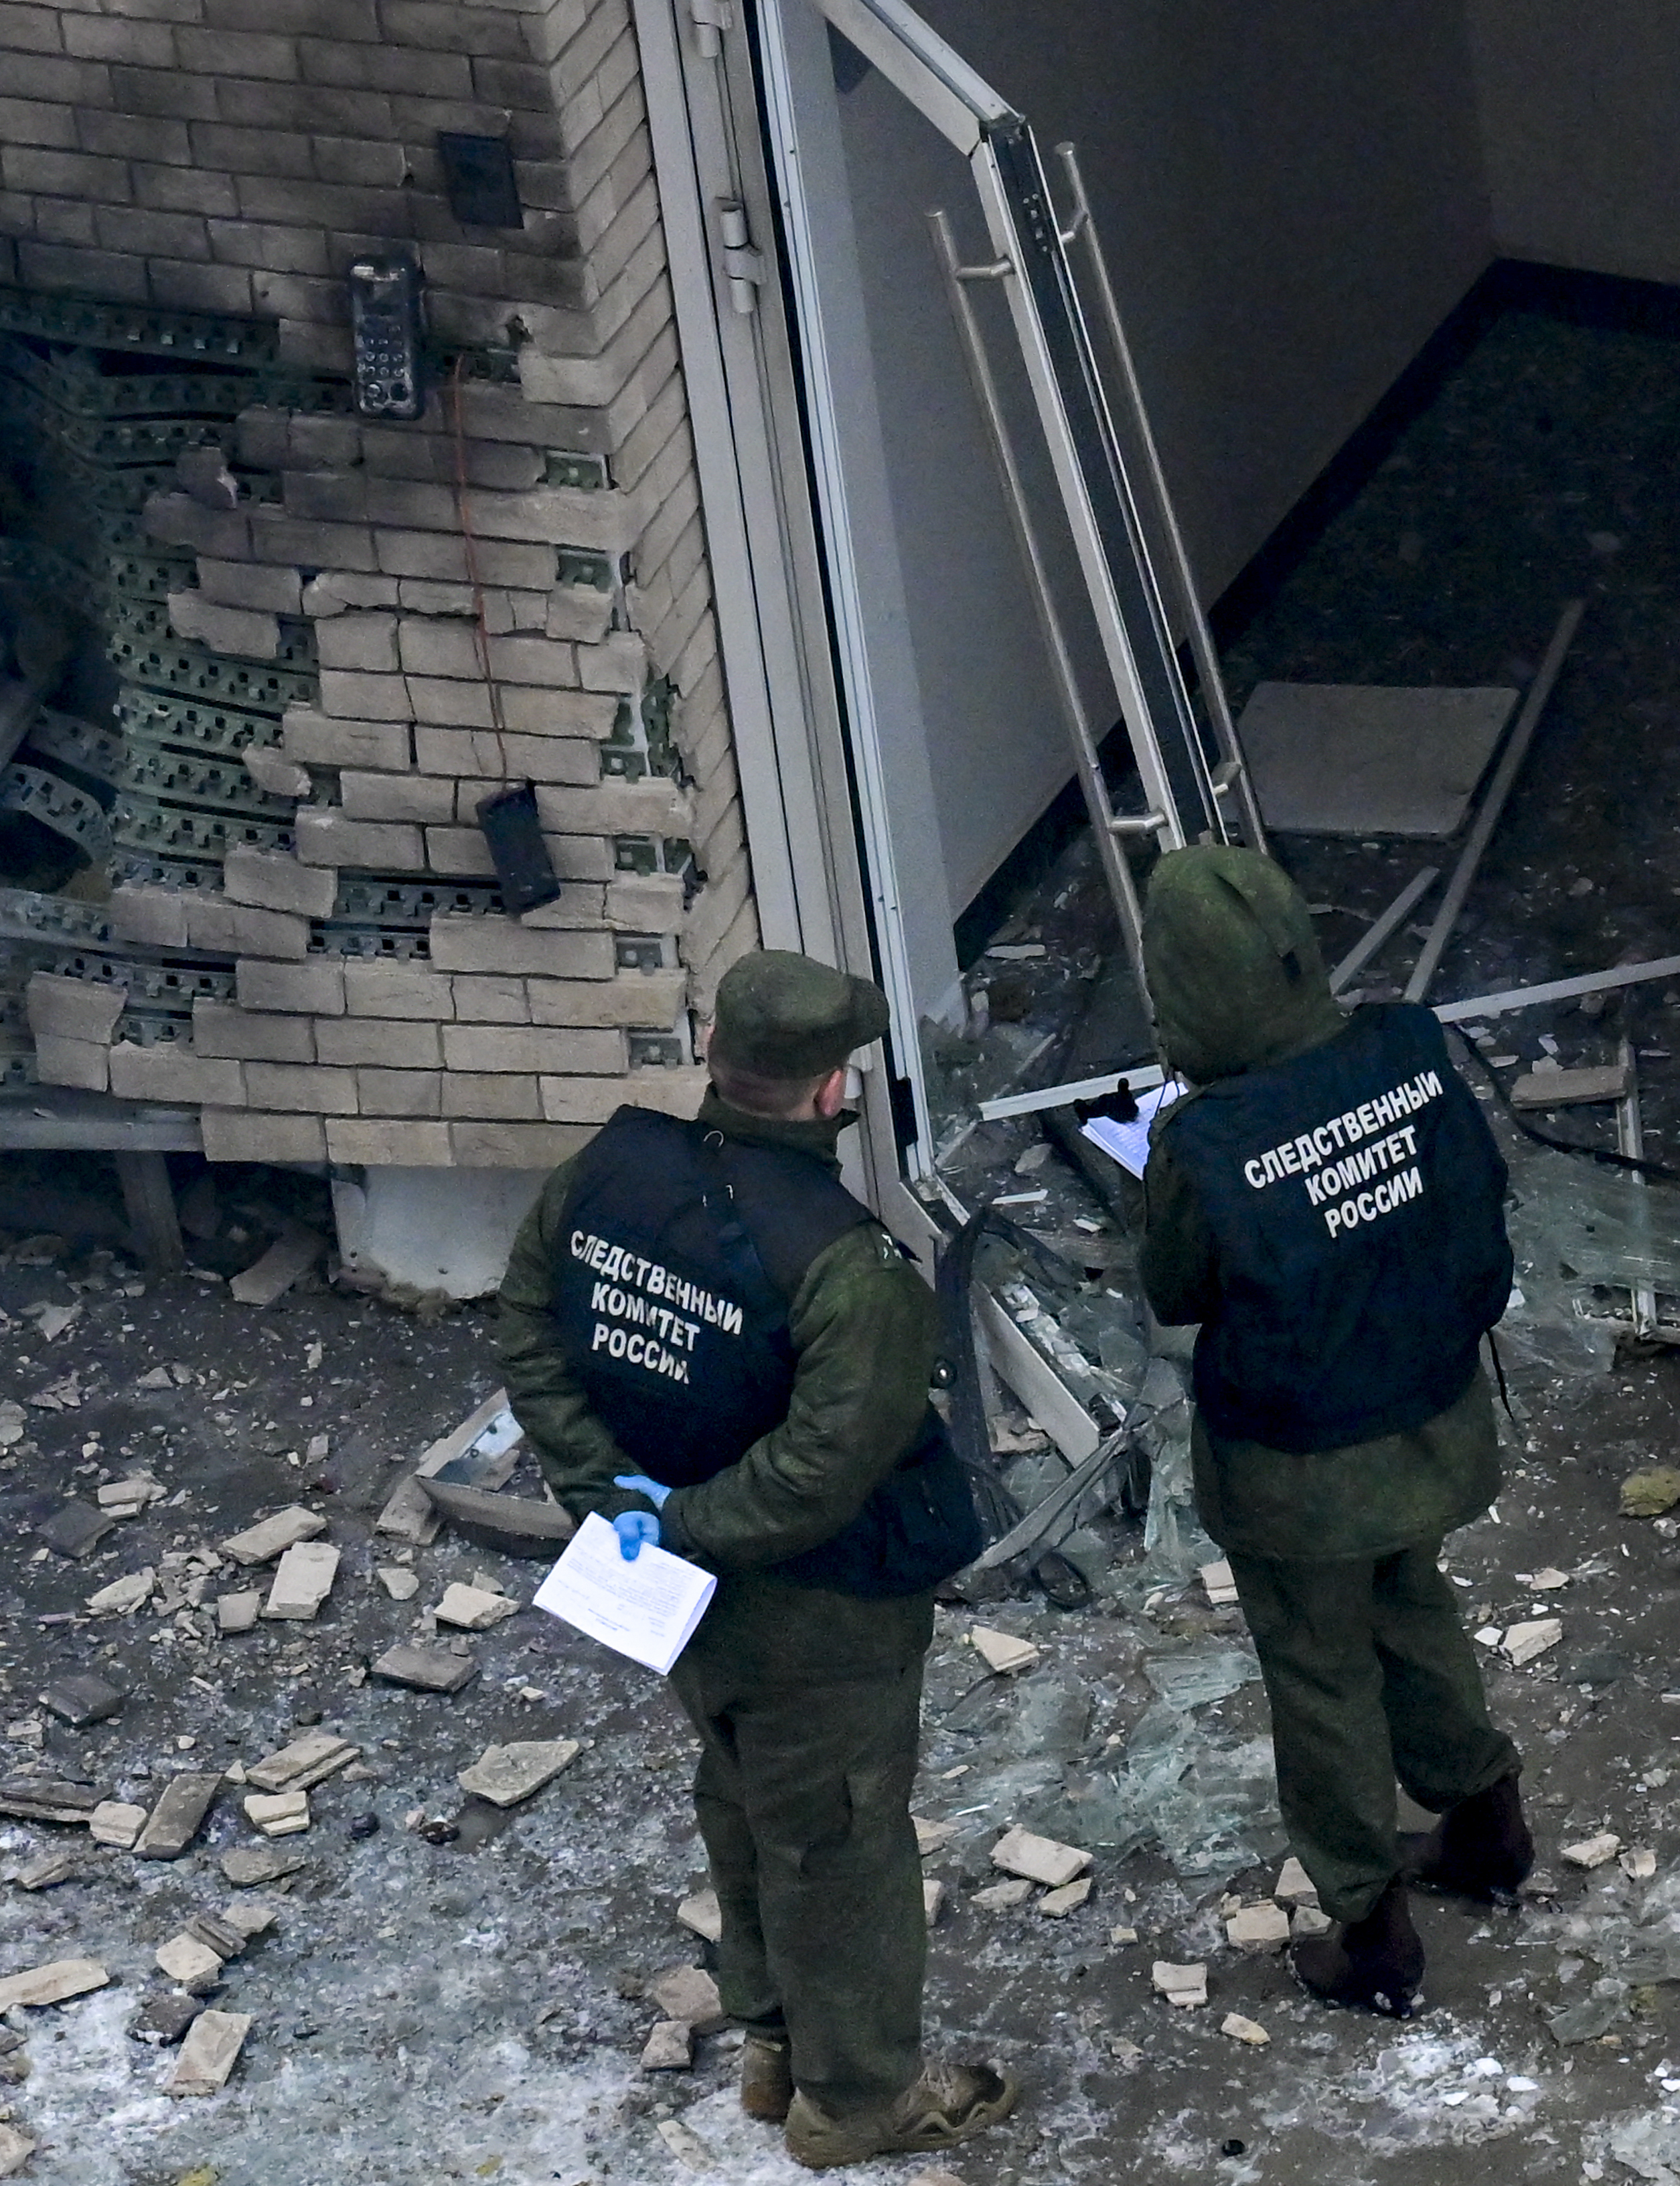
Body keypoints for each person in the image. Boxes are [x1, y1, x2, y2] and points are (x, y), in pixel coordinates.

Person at [491, 951, 1009, 2171]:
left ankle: (774, 2041)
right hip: (813, 1610)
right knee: (836, 1834)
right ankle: (860, 2096)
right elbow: (817, 1477)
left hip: (673, 1594)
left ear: (713, 1048)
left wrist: (609, 1499)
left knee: (737, 1794)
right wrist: (678, 1518)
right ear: (835, 1090)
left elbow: (526, 1326)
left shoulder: (601, 1174)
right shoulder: (851, 1268)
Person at [1138, 844, 1528, 2013]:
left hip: (1299, 1471)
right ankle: (1486, 1824)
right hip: (1431, 1419)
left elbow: (1173, 1288)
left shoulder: (1204, 1143)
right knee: (1410, 1604)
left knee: (1318, 1677)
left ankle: (1370, 1933)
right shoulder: (1405, 1048)